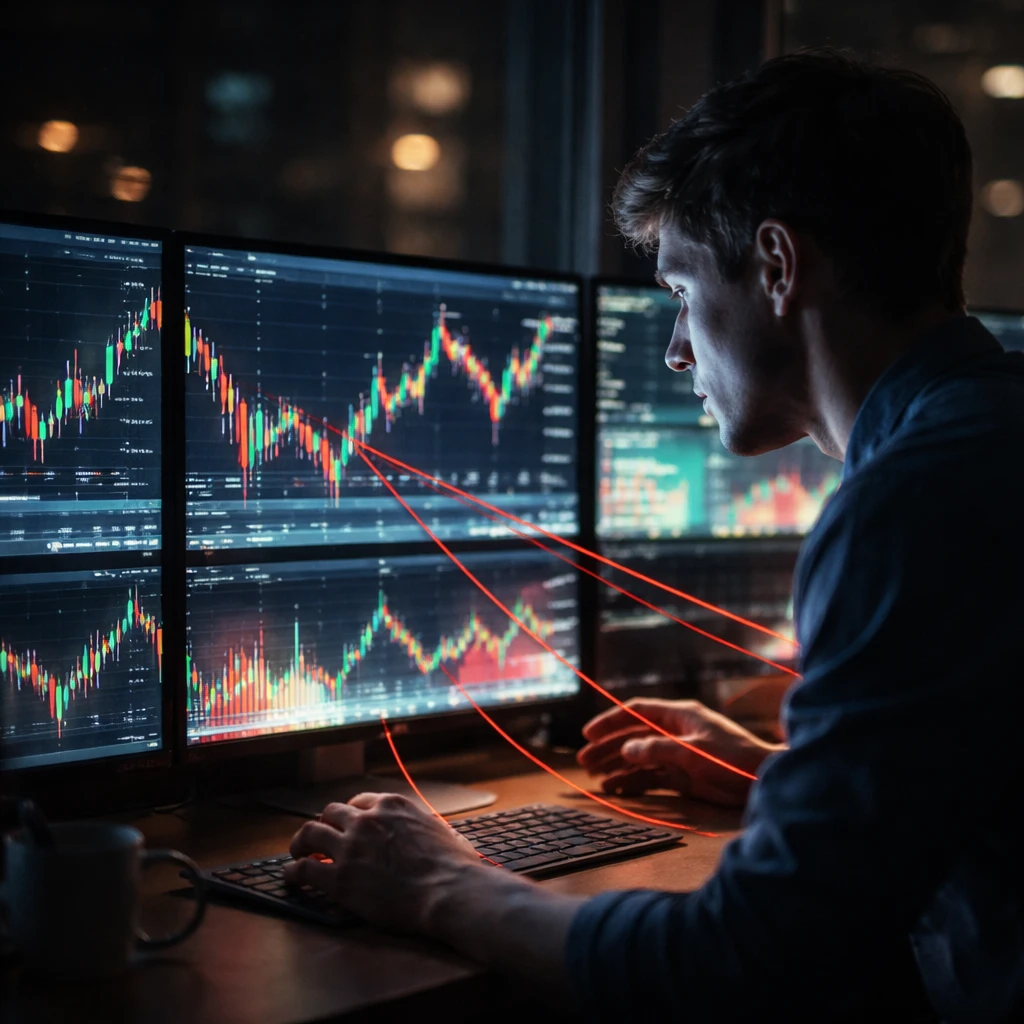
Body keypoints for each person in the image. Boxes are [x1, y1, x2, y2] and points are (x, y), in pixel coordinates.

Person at [282, 49, 1024, 1021]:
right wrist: (770, 776)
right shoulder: (989, 432)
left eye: (678, 293)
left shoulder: (908, 503)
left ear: (775, 264)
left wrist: (441, 884)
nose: (676, 349)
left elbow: (746, 960)